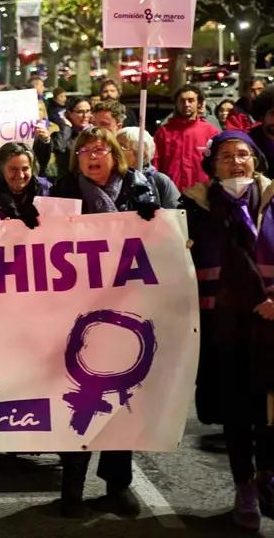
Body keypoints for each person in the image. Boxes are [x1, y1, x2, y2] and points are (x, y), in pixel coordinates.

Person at [47, 127, 158, 518]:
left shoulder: (139, 189)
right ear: (75, 158)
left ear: (115, 154)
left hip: (129, 309)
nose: (93, 156)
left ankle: (117, 484)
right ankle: (72, 485)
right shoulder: (62, 190)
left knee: (124, 398)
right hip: (76, 311)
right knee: (78, 396)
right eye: (85, 150)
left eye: (101, 149)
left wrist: (154, 219)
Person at [182, 131, 274, 530]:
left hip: (271, 328)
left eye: (243, 155)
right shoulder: (196, 208)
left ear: (256, 161)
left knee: (271, 413)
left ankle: (267, 476)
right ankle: (245, 490)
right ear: (212, 165)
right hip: (223, 329)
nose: (236, 163)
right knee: (237, 414)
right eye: (225, 157)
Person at [0, 142, 48, 224]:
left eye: (25, 169)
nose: (20, 175)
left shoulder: (45, 190)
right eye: (13, 169)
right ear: (1, 170)